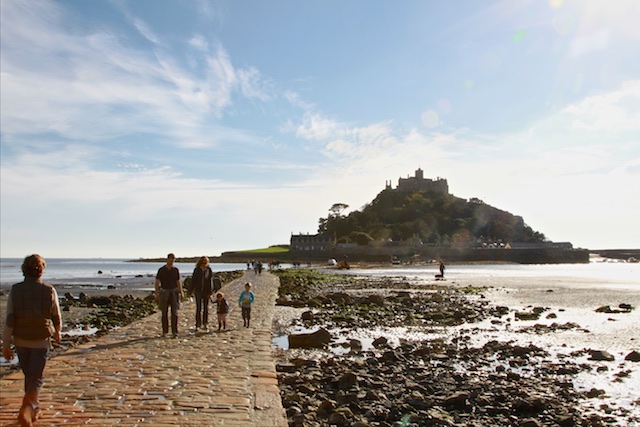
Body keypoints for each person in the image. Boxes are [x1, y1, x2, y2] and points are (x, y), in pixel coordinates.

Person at [2, 254, 62, 427]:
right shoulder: (49, 290)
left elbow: (9, 319)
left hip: (21, 340)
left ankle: (33, 408)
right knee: (36, 378)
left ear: (24, 269)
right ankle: (27, 409)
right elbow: (55, 314)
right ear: (41, 270)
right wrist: (58, 332)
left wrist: (6, 345)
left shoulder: (15, 290)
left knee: (30, 375)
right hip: (41, 340)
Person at [155, 253, 183, 338]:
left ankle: (175, 331)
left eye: (173, 259)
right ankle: (165, 331)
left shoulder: (175, 270)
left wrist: (181, 292)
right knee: (164, 313)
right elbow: (157, 281)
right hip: (164, 292)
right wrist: (156, 292)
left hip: (174, 292)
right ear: (167, 259)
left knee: (174, 313)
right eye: (170, 259)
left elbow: (178, 281)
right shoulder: (162, 270)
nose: (171, 261)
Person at [191, 256, 213, 331]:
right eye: (203, 262)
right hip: (198, 291)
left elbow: (210, 281)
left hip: (206, 291)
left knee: (206, 308)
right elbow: (193, 280)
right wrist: (190, 291)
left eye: (205, 262)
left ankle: (205, 323)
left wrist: (210, 292)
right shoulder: (197, 270)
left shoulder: (209, 270)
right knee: (198, 308)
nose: (204, 264)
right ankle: (198, 324)